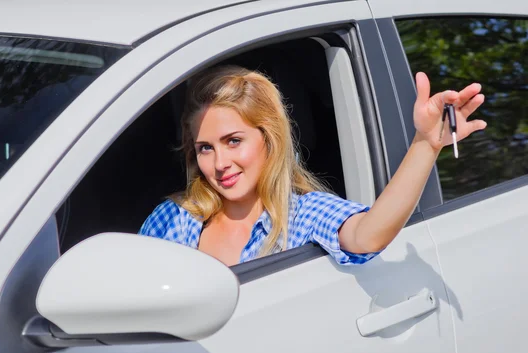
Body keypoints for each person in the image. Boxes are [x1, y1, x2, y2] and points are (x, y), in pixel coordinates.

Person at [138, 65, 486, 267]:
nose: (220, 163)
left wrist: (425, 144)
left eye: (233, 141)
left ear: (268, 139)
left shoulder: (300, 216)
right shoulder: (175, 219)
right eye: (204, 148)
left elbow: (368, 235)